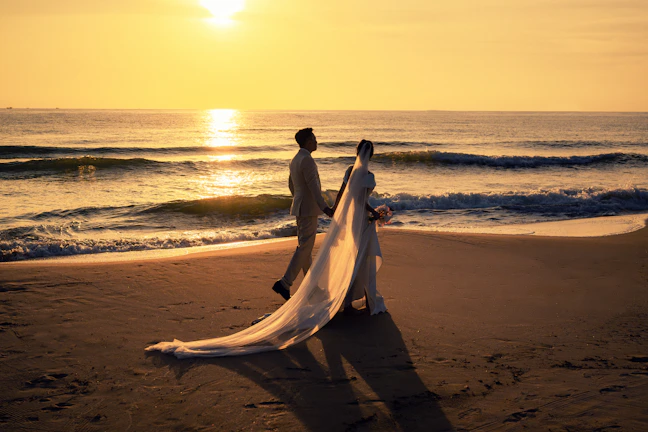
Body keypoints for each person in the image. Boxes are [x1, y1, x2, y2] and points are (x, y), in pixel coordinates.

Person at [271, 128, 334, 301]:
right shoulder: (307, 160)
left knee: (305, 248)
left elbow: (291, 185)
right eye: (314, 139)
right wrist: (325, 208)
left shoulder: (295, 159)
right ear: (307, 141)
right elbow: (314, 188)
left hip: (300, 207)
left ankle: (311, 287)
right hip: (307, 209)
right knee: (305, 247)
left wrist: (297, 200)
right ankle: (285, 282)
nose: (316, 141)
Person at [333, 139, 387, 315]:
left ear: (357, 152)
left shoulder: (350, 171)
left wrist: (335, 211)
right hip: (362, 219)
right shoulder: (368, 176)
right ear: (371, 154)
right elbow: (361, 200)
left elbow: (342, 194)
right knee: (363, 258)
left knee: (355, 256)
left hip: (351, 218)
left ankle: (348, 301)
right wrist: (374, 213)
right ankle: (366, 299)